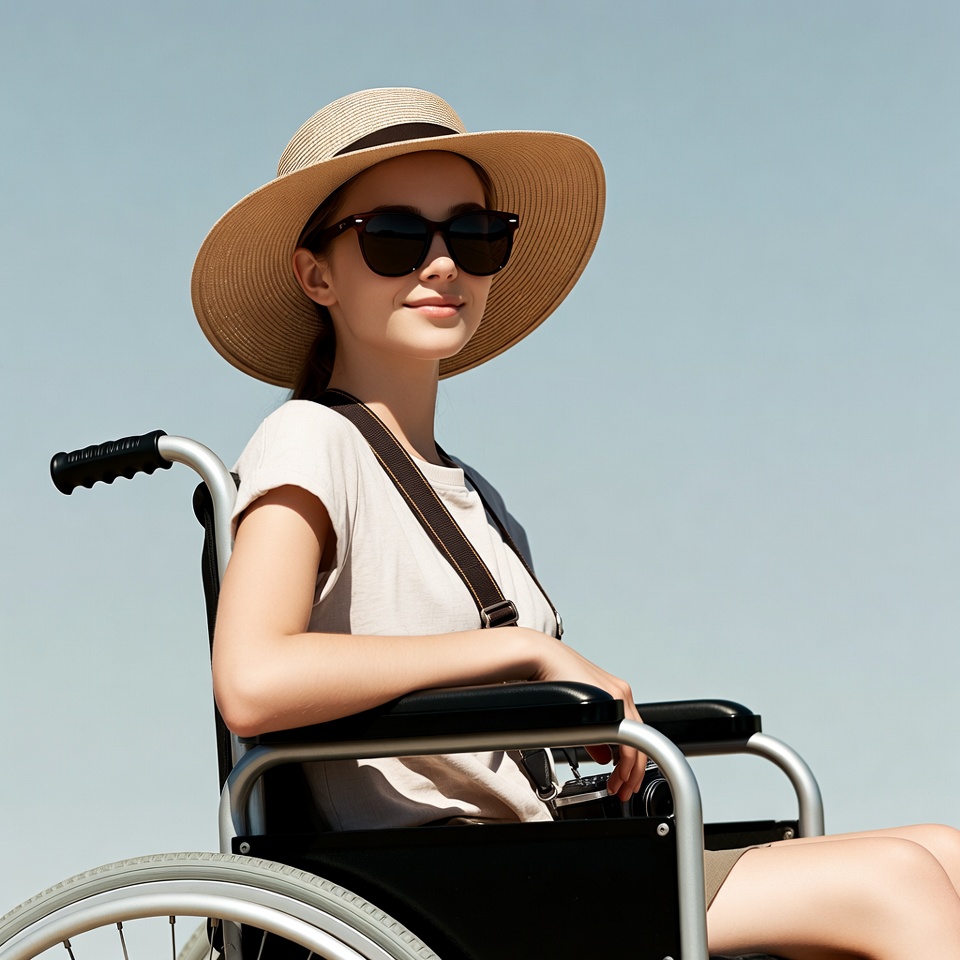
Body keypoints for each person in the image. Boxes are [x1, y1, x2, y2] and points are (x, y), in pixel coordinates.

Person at [193, 88, 960, 959]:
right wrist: (526, 653)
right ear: (316, 273)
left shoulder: (474, 495)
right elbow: (252, 678)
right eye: (395, 238)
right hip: (440, 878)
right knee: (900, 885)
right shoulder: (309, 439)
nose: (441, 265)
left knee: (945, 852)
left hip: (534, 846)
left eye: (474, 236)